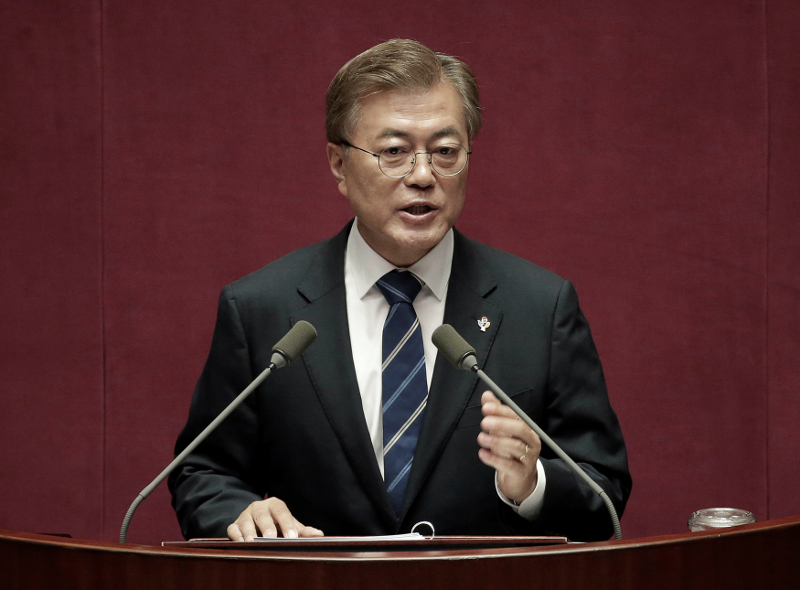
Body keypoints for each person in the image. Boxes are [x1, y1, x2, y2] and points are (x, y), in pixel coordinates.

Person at [168, 39, 631, 542]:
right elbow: (202, 472)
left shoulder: (540, 307)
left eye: (446, 152)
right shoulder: (261, 307)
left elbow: (604, 492)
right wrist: (241, 514)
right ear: (339, 165)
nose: (424, 176)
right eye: (394, 152)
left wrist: (532, 484)